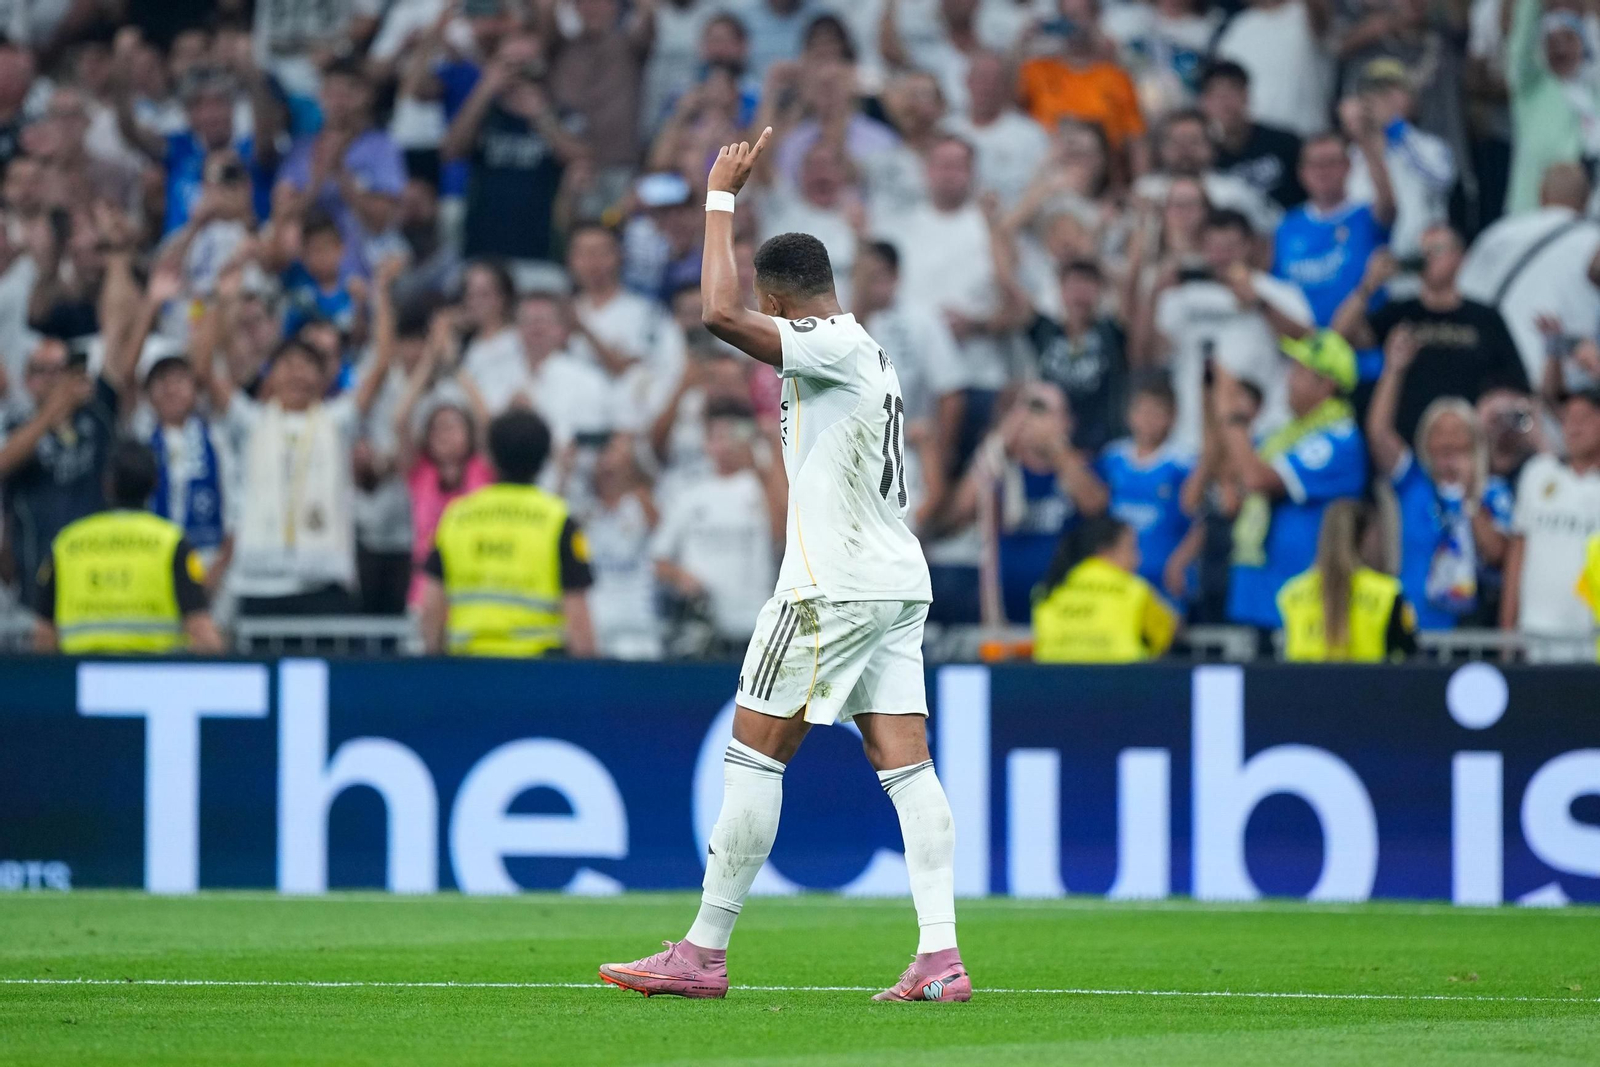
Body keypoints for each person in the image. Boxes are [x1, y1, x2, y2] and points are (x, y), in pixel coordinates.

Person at [600, 128, 970, 1003]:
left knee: (754, 756)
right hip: (892, 582)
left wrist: (719, 199)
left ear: (779, 301)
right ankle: (939, 956)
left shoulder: (828, 343)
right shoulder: (866, 348)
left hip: (829, 587)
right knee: (907, 765)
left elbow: (716, 314)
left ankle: (703, 951)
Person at [1216, 331, 1368, 633]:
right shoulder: (1284, 436)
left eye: (1300, 372)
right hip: (1261, 590)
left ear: (1326, 385)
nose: (1289, 380)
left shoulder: (1339, 439)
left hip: (1302, 598)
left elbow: (1256, 478)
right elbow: (1232, 480)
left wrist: (1234, 417)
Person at [1366, 329, 1512, 631]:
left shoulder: (1493, 491)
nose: (1446, 441)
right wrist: (1393, 369)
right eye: (1438, 432)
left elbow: (1498, 554)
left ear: (1474, 441)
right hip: (1412, 620)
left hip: (1470, 628)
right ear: (1425, 441)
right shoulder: (1413, 480)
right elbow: (1378, 433)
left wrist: (1469, 499)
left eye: (1456, 433)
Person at [420, 408, 596, 657]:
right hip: (538, 670)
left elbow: (432, 607)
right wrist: (589, 670)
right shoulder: (558, 520)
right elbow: (577, 615)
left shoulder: (457, 517)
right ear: (544, 457)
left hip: (467, 666)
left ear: (490, 456)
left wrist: (433, 661)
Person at [1334, 227, 1528, 444]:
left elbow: (1517, 385)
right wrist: (1369, 285)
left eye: (1436, 249)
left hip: (1468, 446)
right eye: (1422, 251)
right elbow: (1339, 336)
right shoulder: (1400, 313)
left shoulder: (1485, 318)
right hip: (1406, 447)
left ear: (1460, 258)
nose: (1427, 257)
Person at [33, 439, 223, 655]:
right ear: (155, 483)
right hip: (152, 671)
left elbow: (43, 635)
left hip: (80, 670)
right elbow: (201, 630)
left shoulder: (67, 543)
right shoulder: (171, 542)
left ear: (107, 484)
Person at [651, 399, 783, 654]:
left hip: (755, 625)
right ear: (705, 443)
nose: (725, 446)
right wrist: (683, 578)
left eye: (731, 436)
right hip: (705, 630)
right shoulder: (688, 493)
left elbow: (780, 534)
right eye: (716, 437)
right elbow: (659, 560)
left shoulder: (760, 486)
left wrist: (771, 452)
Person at [1501, 387, 1600, 661]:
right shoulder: (1537, 473)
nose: (1574, 427)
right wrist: (1506, 630)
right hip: (1534, 634)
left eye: (1584, 418)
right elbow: (1517, 554)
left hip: (1590, 641)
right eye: (1567, 419)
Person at [1272, 109, 1396, 327]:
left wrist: (1365, 141)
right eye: (1315, 164)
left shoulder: (1367, 216)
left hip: (1366, 336)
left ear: (1348, 166)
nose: (1323, 171)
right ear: (1301, 172)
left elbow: (1387, 201)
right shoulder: (1287, 225)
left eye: (1331, 162)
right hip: (1306, 341)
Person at [1095, 375, 1202, 599]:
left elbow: (1200, 523)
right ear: (1129, 414)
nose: (1148, 420)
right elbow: (1097, 514)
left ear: (1172, 417)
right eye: (1142, 411)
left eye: (1156, 413)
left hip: (1164, 578)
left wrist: (1180, 562)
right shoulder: (1112, 457)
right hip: (1117, 578)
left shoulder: (1183, 463)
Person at [1278, 500, 1418, 662]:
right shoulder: (1387, 593)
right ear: (1365, 538)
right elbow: (1409, 657)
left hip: (1301, 679)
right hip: (1370, 678)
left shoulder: (1291, 593)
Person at [1031, 514, 1178, 663]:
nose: (1138, 559)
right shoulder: (1135, 590)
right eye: (1131, 549)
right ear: (1105, 552)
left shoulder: (1049, 589)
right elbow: (1167, 635)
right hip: (1121, 675)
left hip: (1053, 675)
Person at [1198, 60, 1303, 210]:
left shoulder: (1284, 143)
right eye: (1217, 96)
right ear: (1204, 103)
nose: (1225, 104)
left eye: (1231, 93)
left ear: (1246, 95)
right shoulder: (1205, 157)